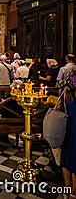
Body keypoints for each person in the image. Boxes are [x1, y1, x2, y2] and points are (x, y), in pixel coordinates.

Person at [60, 70, 76, 198]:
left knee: (66, 160)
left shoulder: (65, 94)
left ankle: (66, 187)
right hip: (73, 130)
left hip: (67, 129)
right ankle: (74, 192)